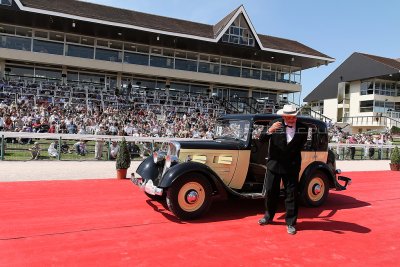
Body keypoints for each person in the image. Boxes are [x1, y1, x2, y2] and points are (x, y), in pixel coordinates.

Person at [258, 104, 308, 235]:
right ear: (284, 116)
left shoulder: (303, 127)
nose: (292, 119)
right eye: (290, 117)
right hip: (274, 164)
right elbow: (261, 139)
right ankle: (268, 217)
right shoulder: (274, 123)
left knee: (291, 194)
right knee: (270, 191)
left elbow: (301, 145)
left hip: (292, 166)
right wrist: (270, 130)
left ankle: (291, 223)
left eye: (294, 117)